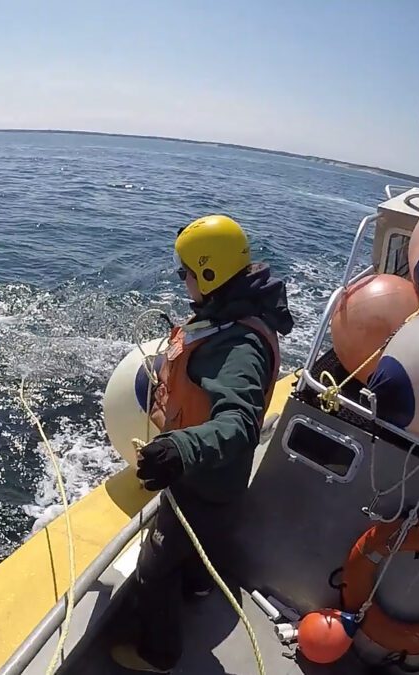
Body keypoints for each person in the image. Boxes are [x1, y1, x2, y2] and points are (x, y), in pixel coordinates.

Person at [111, 215, 294, 673]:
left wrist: (182, 449)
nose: (182, 280)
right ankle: (197, 587)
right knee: (200, 547)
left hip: (204, 478)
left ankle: (158, 654)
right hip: (218, 480)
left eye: (186, 272)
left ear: (210, 275)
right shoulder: (229, 316)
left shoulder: (240, 347)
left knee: (155, 566)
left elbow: (239, 424)